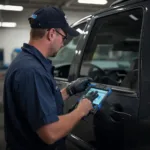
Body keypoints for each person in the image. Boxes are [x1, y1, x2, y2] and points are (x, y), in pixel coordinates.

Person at [3, 6, 98, 150]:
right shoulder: (32, 71)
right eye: (64, 37)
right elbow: (50, 132)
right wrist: (81, 110)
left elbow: (36, 104)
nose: (63, 43)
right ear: (52, 33)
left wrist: (69, 91)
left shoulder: (27, 63)